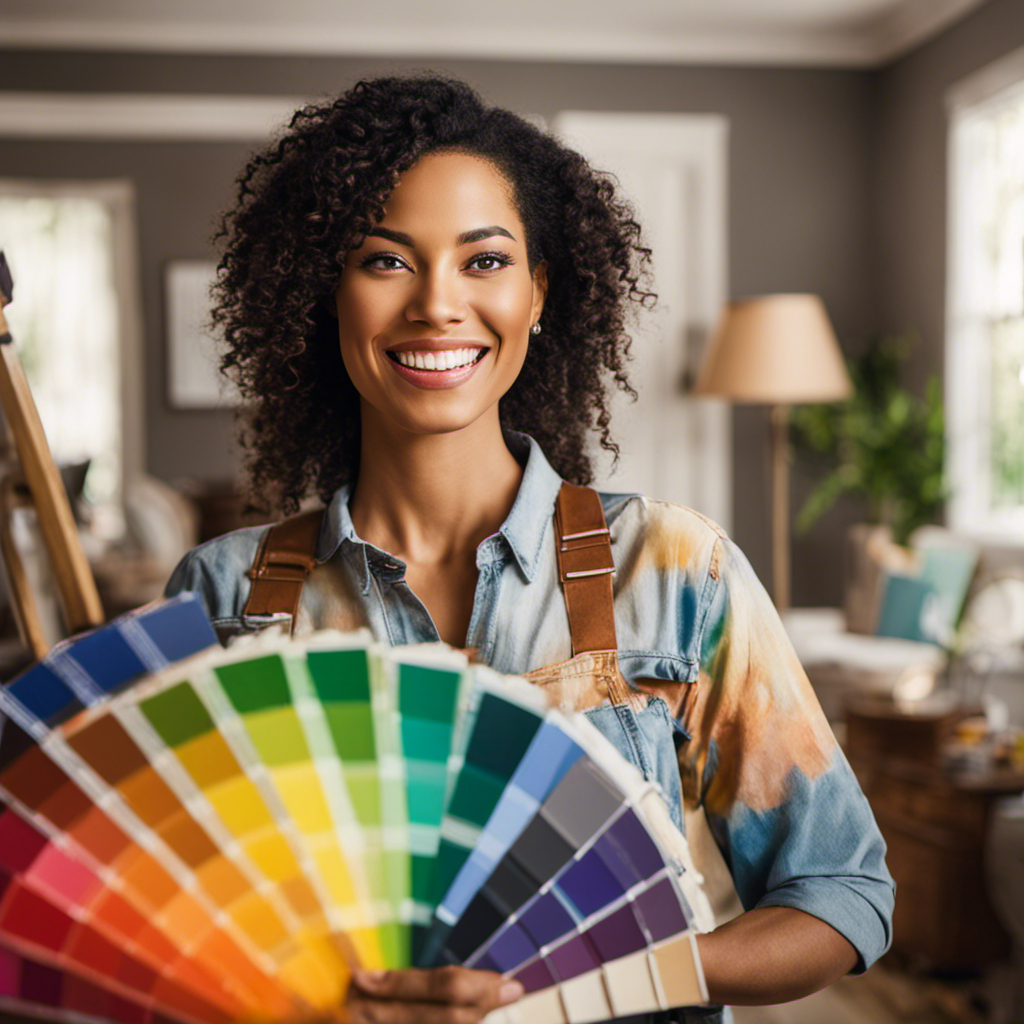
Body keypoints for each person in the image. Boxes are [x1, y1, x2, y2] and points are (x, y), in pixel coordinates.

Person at [165, 74, 894, 1024]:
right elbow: (175, 926)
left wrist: (616, 970)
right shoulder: (223, 598)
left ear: (538, 292)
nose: (436, 304)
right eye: (385, 261)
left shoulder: (675, 569)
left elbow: (841, 893)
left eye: (484, 261)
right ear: (323, 294)